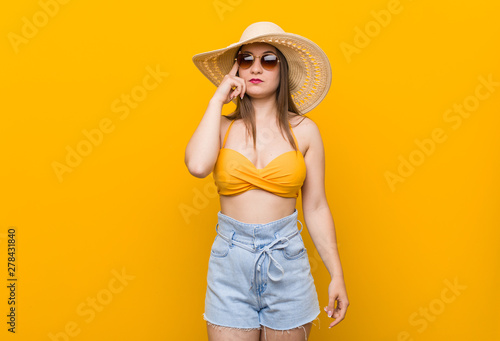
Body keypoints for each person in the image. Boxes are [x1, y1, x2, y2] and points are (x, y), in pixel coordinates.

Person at [187, 22, 349, 341]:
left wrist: (337, 274)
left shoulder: (304, 130)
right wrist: (216, 101)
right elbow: (197, 165)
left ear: (282, 70)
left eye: (268, 60)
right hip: (230, 262)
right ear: (236, 70)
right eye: (246, 59)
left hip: (286, 258)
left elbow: (315, 206)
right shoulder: (220, 127)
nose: (256, 68)